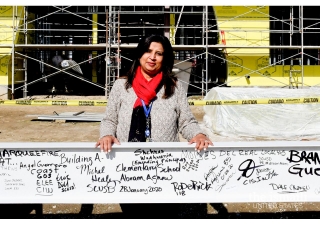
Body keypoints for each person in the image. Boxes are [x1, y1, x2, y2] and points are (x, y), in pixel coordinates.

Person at [96, 34, 213, 218]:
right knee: (134, 214)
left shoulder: (174, 87)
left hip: (165, 167)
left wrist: (198, 134)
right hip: (128, 166)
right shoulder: (121, 86)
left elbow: (186, 121)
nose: (152, 57)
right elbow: (110, 119)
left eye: (159, 53)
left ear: (164, 58)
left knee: (164, 215)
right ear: (140, 54)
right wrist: (107, 134)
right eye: (148, 51)